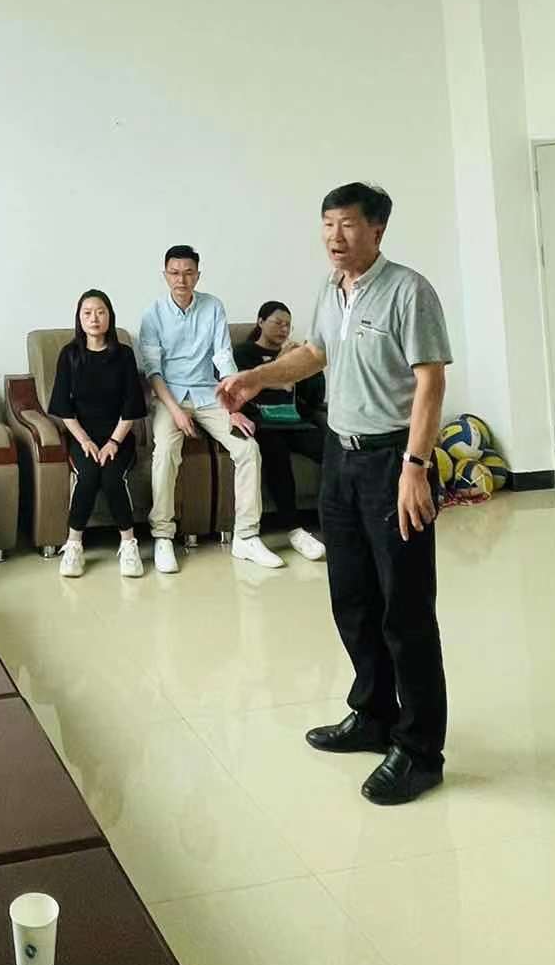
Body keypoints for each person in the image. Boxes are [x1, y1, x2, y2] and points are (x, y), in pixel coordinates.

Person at [218, 183, 452, 805]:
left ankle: (420, 750)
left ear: (377, 230)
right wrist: (256, 377)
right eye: (327, 224)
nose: (334, 237)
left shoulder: (409, 291)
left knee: (405, 609)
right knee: (352, 599)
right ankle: (373, 715)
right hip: (341, 461)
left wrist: (415, 466)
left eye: (347, 225)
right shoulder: (330, 289)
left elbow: (430, 383)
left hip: (393, 461)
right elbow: (315, 353)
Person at [138, 244, 282, 572]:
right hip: (170, 397)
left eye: (188, 273)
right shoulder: (152, 315)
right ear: (165, 275)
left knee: (248, 449)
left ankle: (246, 536)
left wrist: (233, 405)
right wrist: (176, 412)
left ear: (198, 275)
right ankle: (163, 536)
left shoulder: (213, 307)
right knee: (165, 452)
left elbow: (223, 357)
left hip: (209, 394)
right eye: (174, 273)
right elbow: (153, 372)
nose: (181, 279)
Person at [47, 289, 148, 578]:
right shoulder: (69, 355)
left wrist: (114, 441)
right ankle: (73, 545)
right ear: (79, 318)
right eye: (88, 313)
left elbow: (131, 406)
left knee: (112, 476)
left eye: (100, 312)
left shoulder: (124, 354)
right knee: (89, 474)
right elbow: (63, 408)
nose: (94, 318)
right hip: (83, 437)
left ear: (109, 317)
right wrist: (85, 440)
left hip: (119, 436)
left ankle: (128, 545)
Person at [234, 301, 328, 561]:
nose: (284, 329)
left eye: (288, 325)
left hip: (296, 422)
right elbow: (244, 389)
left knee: (333, 452)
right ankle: (294, 529)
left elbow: (314, 397)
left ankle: (333, 521)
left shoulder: (296, 354)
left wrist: (311, 367)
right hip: (263, 424)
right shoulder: (243, 353)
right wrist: (280, 363)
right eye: (278, 323)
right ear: (260, 322)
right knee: (277, 456)